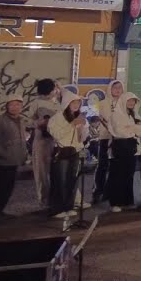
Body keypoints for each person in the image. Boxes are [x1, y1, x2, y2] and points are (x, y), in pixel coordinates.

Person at [0, 96, 28, 221]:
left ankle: (0, 210)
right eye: (12, 104)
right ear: (7, 106)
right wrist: (4, 154)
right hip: (3, 161)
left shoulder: (21, 120)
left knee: (8, 187)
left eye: (18, 105)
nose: (15, 107)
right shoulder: (1, 121)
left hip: (14, 160)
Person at [47, 91, 87, 219]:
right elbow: (56, 134)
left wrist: (82, 129)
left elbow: (81, 139)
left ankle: (69, 206)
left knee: (72, 180)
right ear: (67, 103)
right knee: (60, 180)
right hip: (62, 151)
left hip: (74, 151)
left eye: (78, 103)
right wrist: (72, 125)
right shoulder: (57, 118)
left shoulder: (78, 116)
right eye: (73, 102)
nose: (76, 105)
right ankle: (57, 209)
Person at [106, 91, 141, 213]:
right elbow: (120, 131)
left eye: (133, 101)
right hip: (120, 147)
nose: (131, 103)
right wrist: (133, 129)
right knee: (118, 174)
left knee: (129, 174)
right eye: (129, 100)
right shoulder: (116, 114)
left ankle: (127, 200)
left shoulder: (135, 115)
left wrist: (131, 128)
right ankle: (115, 202)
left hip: (131, 147)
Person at [26, 79, 59, 208]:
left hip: (57, 140)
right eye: (54, 88)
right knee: (41, 171)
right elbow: (29, 120)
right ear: (50, 90)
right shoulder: (37, 103)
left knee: (57, 171)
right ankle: (44, 200)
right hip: (42, 140)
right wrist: (37, 123)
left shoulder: (58, 102)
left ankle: (56, 198)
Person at [91, 79, 125, 206]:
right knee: (102, 165)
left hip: (121, 139)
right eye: (115, 87)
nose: (117, 90)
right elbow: (105, 119)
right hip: (106, 137)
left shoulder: (124, 103)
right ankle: (97, 191)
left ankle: (110, 192)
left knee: (115, 167)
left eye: (120, 87)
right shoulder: (103, 103)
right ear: (110, 89)